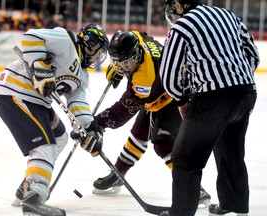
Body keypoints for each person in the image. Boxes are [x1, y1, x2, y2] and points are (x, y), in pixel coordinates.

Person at [0, 24, 109, 216]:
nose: (97, 58)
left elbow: (77, 102)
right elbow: (31, 37)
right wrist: (41, 67)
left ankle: (26, 186)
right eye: (98, 53)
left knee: (60, 137)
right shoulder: (65, 41)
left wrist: (88, 128)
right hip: (16, 92)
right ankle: (34, 197)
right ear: (90, 45)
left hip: (37, 102)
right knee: (45, 146)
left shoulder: (82, 74)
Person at [159, 0, 259, 216]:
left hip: (213, 98)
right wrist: (237, 79)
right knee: (230, 151)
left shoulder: (183, 25)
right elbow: (252, 52)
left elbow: (168, 73)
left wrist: (182, 100)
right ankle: (234, 206)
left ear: (178, 4)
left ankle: (181, 213)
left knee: (185, 159)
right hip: (246, 93)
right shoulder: (229, 16)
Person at [91, 30, 211, 205]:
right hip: (161, 91)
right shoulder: (137, 39)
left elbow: (123, 110)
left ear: (137, 54)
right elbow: (142, 34)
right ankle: (118, 174)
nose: (124, 66)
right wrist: (120, 67)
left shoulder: (144, 78)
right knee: (138, 135)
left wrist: (98, 122)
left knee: (164, 145)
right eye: (119, 62)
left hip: (174, 98)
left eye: (127, 62)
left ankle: (194, 187)